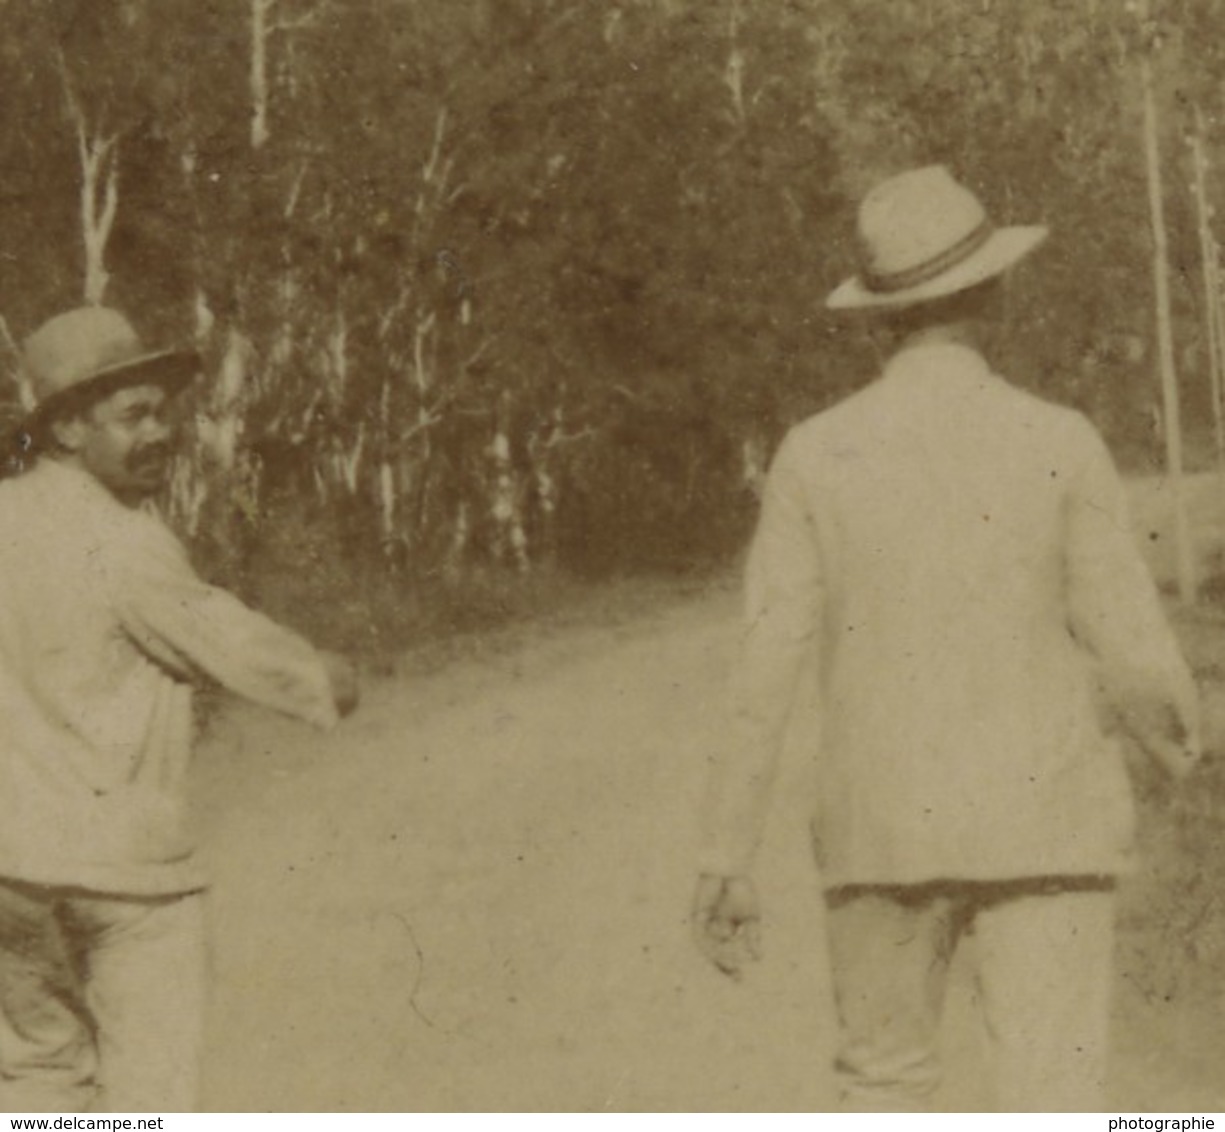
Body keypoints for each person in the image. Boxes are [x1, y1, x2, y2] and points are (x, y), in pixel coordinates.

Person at [691, 166, 1201, 1112]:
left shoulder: (814, 451)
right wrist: (1187, 757)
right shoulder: (1059, 437)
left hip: (876, 831)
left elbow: (765, 664)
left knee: (883, 1088)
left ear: (877, 316)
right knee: (1053, 1094)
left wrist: (726, 852)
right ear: (993, 291)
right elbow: (1130, 645)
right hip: (1045, 823)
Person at [0, 306, 359, 1113]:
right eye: (134, 416)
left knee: (34, 1087)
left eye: (164, 411)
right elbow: (233, 645)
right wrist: (326, 679)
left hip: (8, 873)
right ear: (63, 433)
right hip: (124, 879)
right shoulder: (122, 541)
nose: (161, 432)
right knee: (148, 1096)